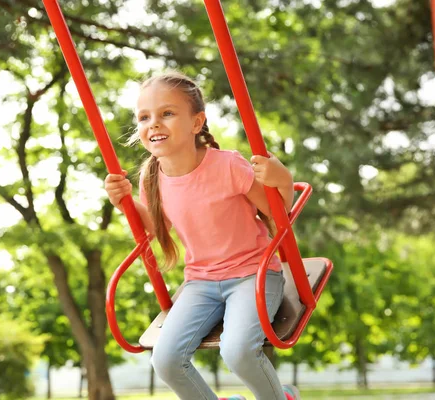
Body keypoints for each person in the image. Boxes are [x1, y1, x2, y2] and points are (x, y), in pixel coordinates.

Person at [104, 71, 301, 400]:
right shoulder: (152, 178)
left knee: (238, 352)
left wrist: (282, 178)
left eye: (167, 113)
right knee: (165, 360)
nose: (153, 124)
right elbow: (154, 229)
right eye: (144, 117)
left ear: (197, 123)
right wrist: (124, 203)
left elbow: (275, 212)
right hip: (200, 283)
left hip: (254, 274)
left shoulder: (227, 166)